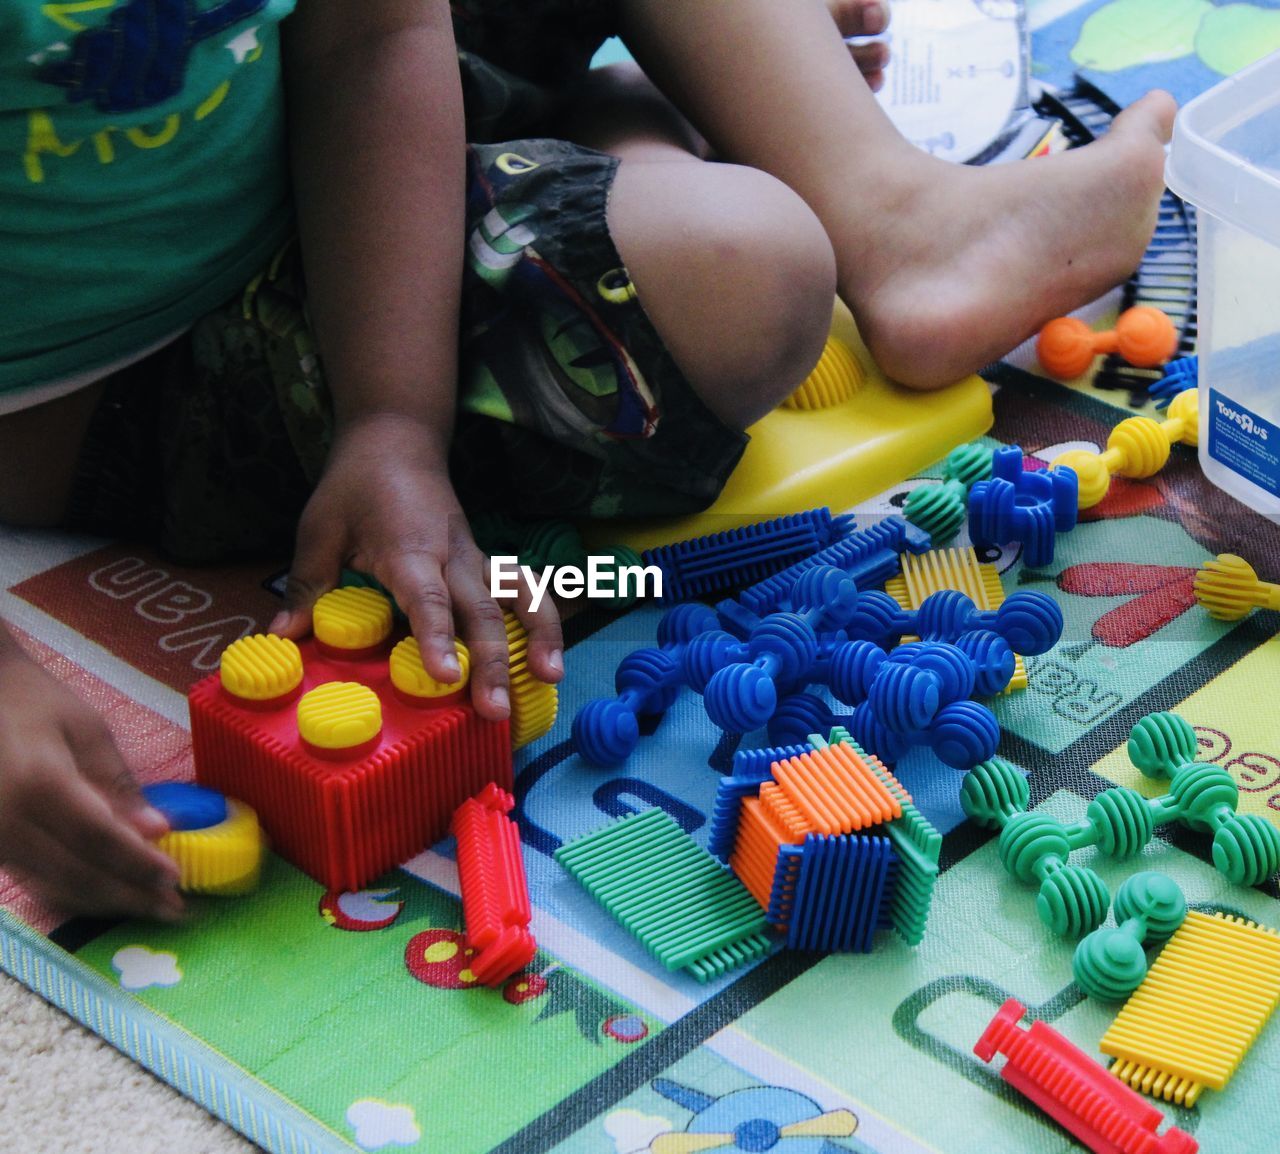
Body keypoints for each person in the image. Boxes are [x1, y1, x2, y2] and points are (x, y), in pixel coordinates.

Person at [0, 0, 1176, 921]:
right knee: (746, 268)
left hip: (325, 140)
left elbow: (370, 40)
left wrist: (393, 421)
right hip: (123, 384)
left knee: (736, 237)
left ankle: (896, 216)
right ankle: (632, 125)